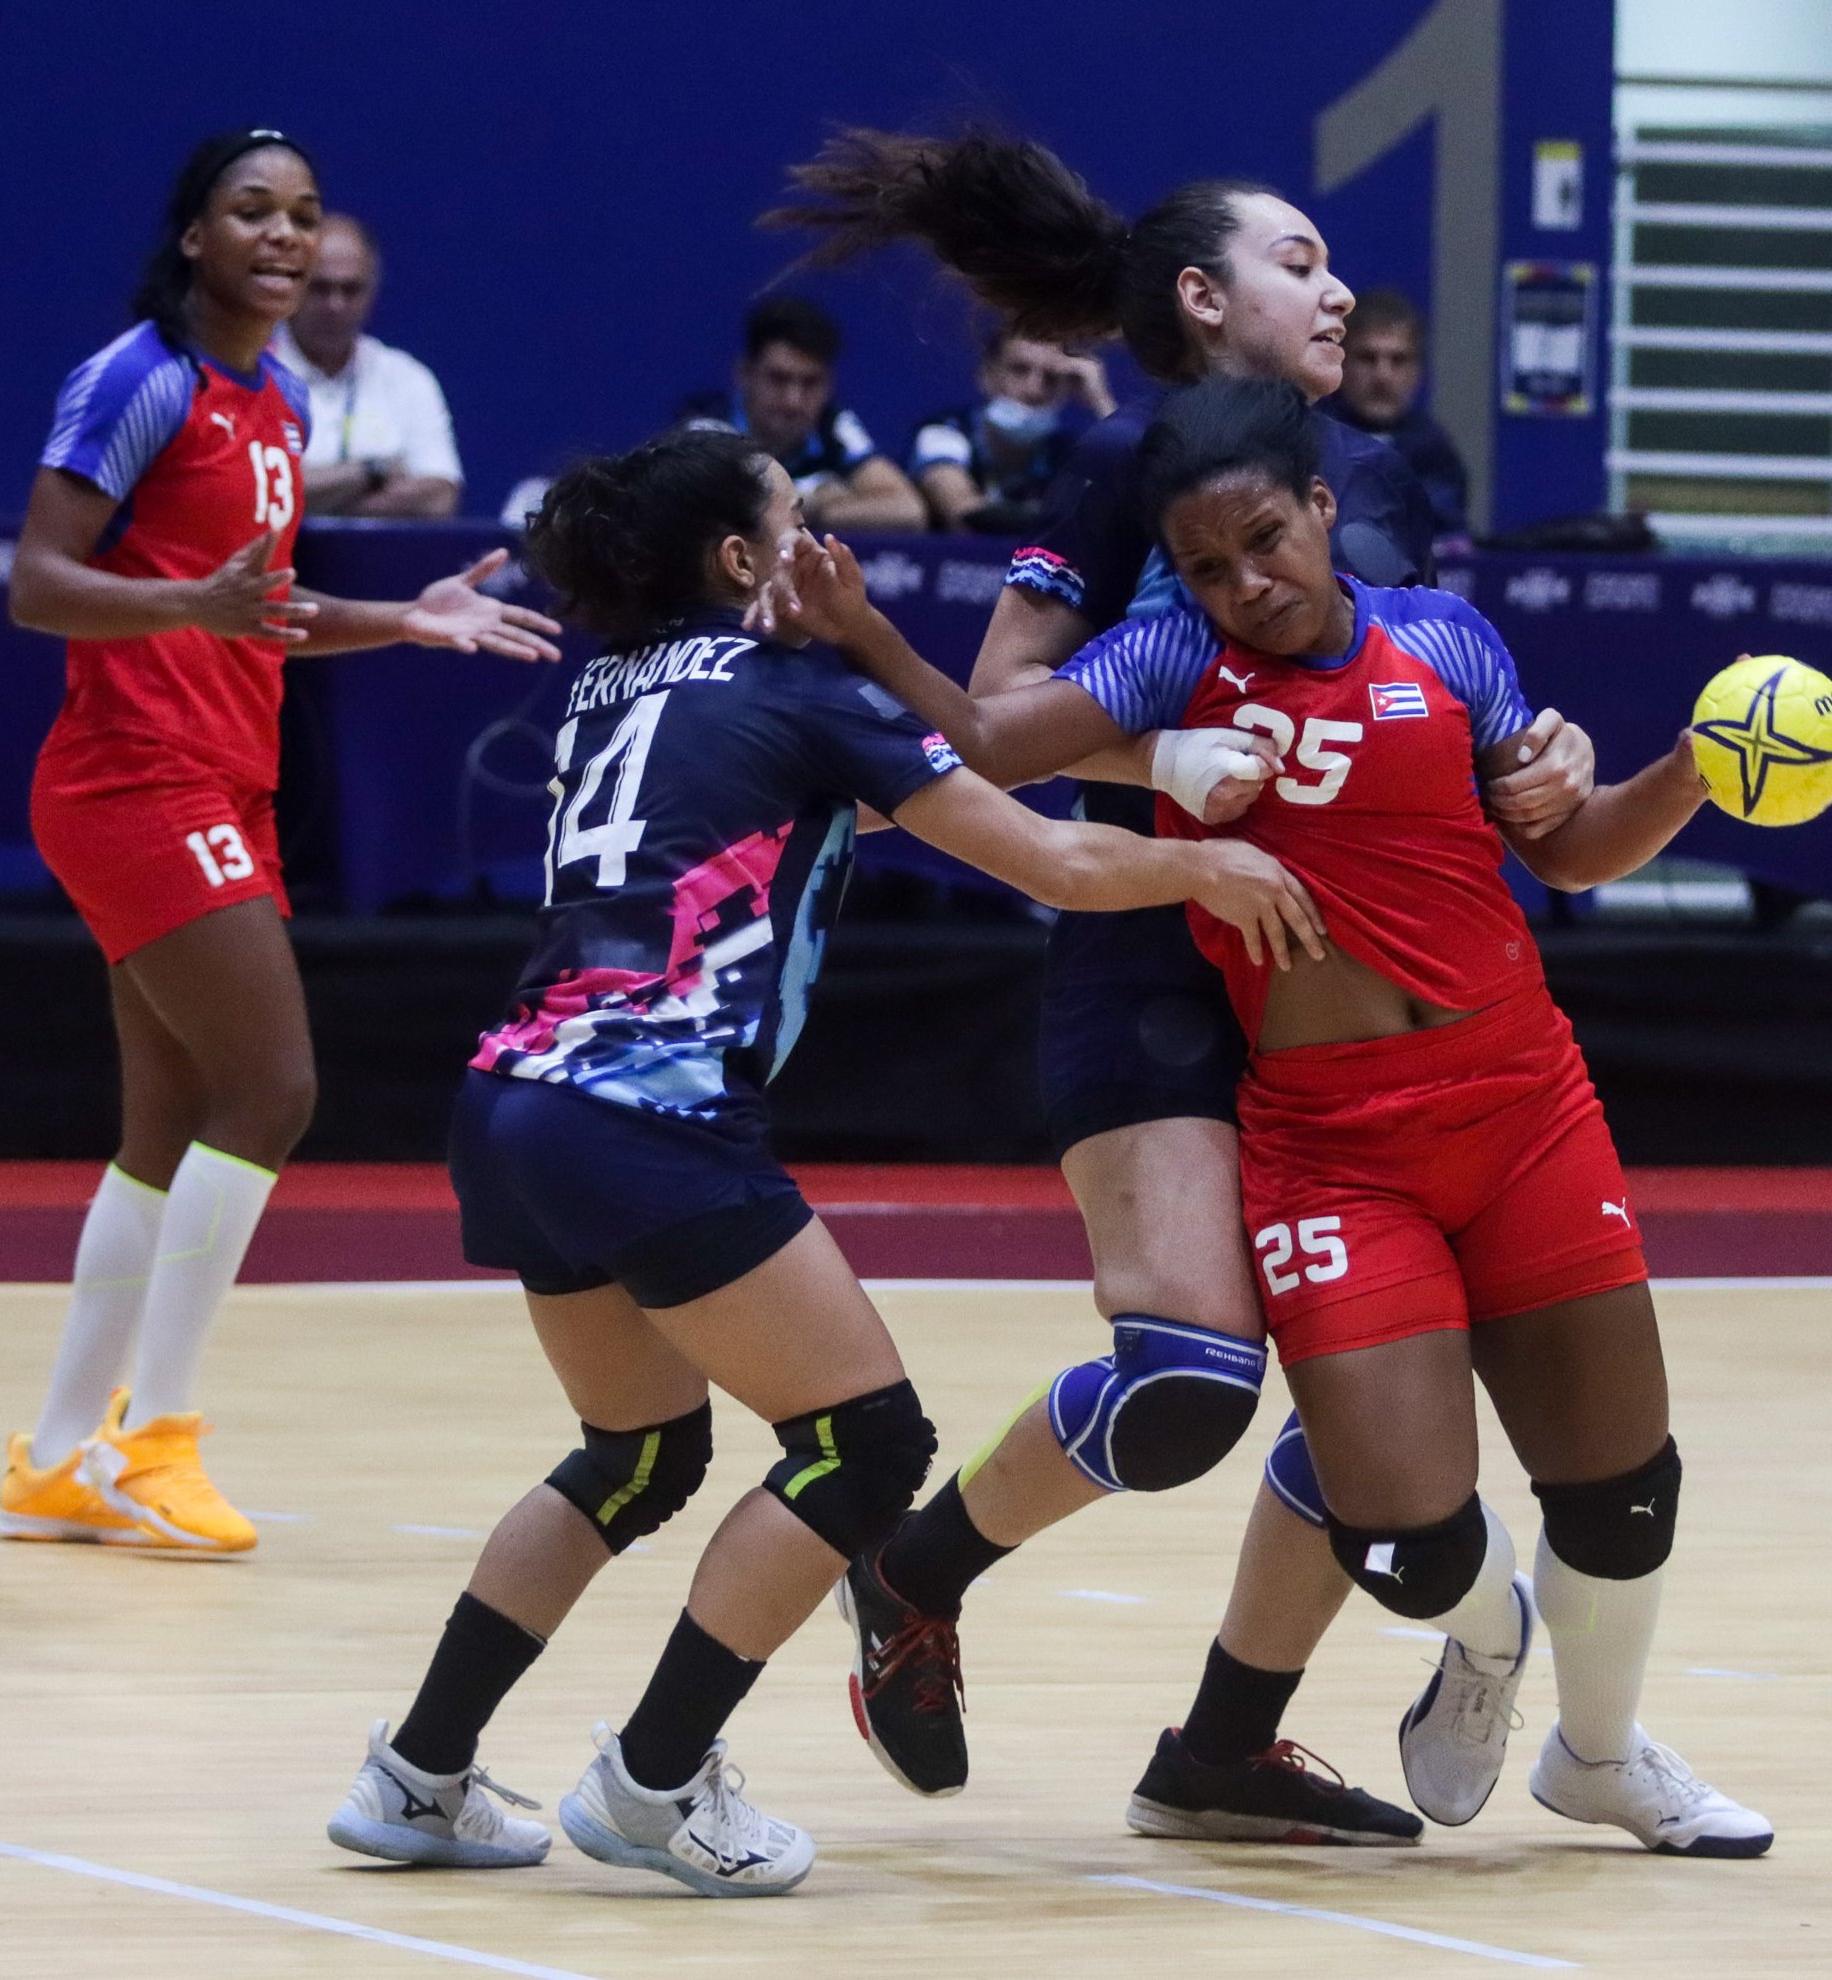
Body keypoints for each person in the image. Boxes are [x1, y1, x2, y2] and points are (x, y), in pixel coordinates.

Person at [319, 424, 1321, 1896]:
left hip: (511, 1104)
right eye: (801, 521)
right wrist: (1196, 855)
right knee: (866, 1448)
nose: (828, 542)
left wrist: (1143, 754)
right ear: (741, 562)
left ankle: (415, 1774)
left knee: (636, 1455)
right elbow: (1044, 859)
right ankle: (655, 1782)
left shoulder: (614, 692)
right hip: (645, 1115)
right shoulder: (795, 687)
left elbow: (907, 779)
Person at [807, 374, 1774, 1857]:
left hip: (1521, 1098)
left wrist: (1690, 773)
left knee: (1620, 1491)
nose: (1244, 585)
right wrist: (870, 633)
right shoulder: (1167, 660)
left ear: (1322, 513)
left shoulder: (1442, 639)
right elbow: (982, 747)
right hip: (1334, 1142)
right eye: (1206, 564)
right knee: (1407, 1539)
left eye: (1264, 540)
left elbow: (1568, 853)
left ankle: (1599, 1755)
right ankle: (1483, 1645)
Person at [765, 124, 1591, 1838]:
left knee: (1368, 1404)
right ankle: (915, 1570)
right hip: (1157, 951)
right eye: (1299, 260)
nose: (1337, 284)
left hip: (1336, 990)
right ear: (1204, 295)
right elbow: (993, 710)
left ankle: (1223, 1746)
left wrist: (1537, 762)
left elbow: (1420, 693)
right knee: (1188, 1384)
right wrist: (1173, 781)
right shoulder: (1120, 474)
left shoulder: (1347, 474)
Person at [0, 129, 561, 1556]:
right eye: (252, 210)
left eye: (303, 216)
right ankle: (158, 1439)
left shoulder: (273, 409)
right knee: (273, 1088)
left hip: (215, 778)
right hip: (135, 779)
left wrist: (403, 619)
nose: (283, 234)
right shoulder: (140, 379)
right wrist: (188, 604)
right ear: (193, 235)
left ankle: (62, 1450)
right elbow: (37, 587)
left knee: (161, 1132)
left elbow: (259, 607)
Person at [678, 295, 926, 532]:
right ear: (745, 374)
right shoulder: (708, 427)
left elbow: (909, 511)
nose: (793, 401)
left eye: (810, 382)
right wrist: (814, 500)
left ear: (828, 384)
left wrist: (826, 513)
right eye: (778, 379)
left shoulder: (833, 427)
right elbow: (709, 511)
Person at [270, 213, 462, 518]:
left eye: (351, 290)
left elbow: (439, 498)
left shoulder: (407, 378)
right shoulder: (252, 371)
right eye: (320, 288)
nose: (335, 305)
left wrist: (314, 500)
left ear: (372, 291)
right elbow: (255, 494)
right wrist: (374, 471)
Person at [911, 328, 1114, 534]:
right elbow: (964, 513)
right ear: (986, 376)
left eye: (1051, 377)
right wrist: (1070, 517)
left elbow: (1134, 502)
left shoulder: (1065, 452)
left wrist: (1100, 400)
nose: (1034, 390)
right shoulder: (944, 433)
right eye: (1019, 370)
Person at [1326, 287, 1470, 541]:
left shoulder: (1435, 451)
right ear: (1341, 361)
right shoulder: (1307, 438)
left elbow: (1447, 532)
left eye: (1399, 360)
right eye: (1367, 358)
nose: (1383, 376)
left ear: (1417, 371)